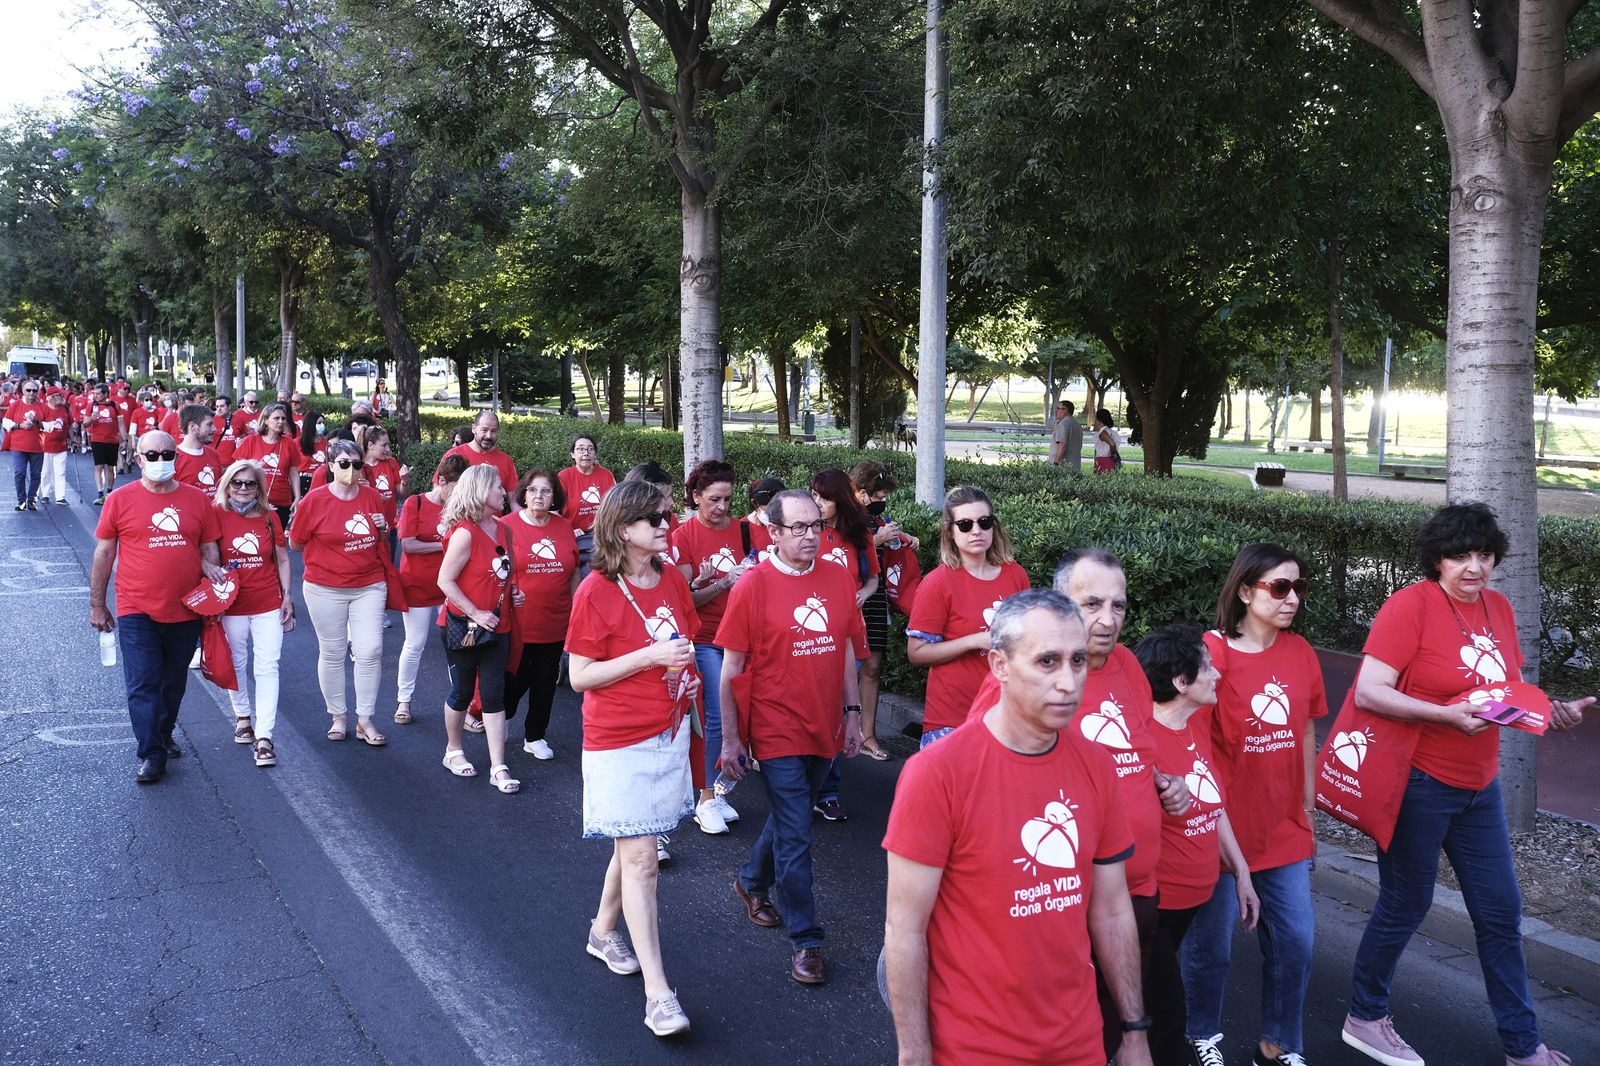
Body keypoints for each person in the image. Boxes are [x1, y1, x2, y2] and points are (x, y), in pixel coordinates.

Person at [1341, 503, 1590, 1066]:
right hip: (1418, 784)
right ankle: (1365, 1015)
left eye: (1484, 555)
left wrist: (1549, 712)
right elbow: (1368, 691)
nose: (1474, 567)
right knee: (1406, 903)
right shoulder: (1410, 605)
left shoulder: (1499, 608)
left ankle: (1523, 1048)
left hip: (1481, 788)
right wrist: (1444, 716)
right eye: (1459, 556)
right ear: (1438, 560)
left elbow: (1505, 693)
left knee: (1500, 914)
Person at [883, 589, 1153, 1066]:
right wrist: (914, 1053)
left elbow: (1112, 910)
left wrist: (1133, 1032)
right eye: (1047, 661)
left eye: (1077, 661)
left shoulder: (1096, 766)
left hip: (1078, 1042)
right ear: (1000, 665)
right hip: (972, 1049)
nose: (1068, 682)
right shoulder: (938, 773)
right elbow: (905, 931)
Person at [1182, 543, 1328, 1066]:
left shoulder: (1301, 651)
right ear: (1245, 591)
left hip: (1283, 828)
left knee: (1296, 942)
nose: (1292, 599)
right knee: (1212, 950)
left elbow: (1305, 730)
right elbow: (1194, 746)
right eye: (1279, 587)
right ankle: (1202, 1032)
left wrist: (1309, 808)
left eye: (1298, 587)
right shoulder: (1212, 653)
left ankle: (1281, 1040)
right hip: (1221, 828)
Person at [565, 479, 700, 1038]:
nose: (668, 526)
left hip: (668, 732)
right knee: (642, 857)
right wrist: (649, 657)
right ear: (624, 530)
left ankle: (602, 931)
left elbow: (684, 644)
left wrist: (685, 677)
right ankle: (658, 994)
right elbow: (579, 677)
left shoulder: (671, 578)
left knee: (632, 840)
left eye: (667, 516)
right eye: (656, 519)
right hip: (617, 740)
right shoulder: (595, 591)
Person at [716, 488, 865, 985]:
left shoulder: (838, 577)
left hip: (825, 722)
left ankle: (750, 881)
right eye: (797, 528)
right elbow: (731, 667)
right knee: (798, 831)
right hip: (775, 725)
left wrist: (853, 714)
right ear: (773, 532)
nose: (810, 536)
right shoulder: (753, 585)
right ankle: (806, 940)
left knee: (790, 814)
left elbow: (847, 647)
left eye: (815, 526)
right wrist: (732, 740)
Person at [1133, 623, 1259, 1066]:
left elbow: (1214, 806)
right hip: (1156, 907)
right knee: (1168, 1016)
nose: (1217, 674)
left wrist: (1241, 871)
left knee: (1143, 1008)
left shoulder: (1192, 726)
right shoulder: (1141, 741)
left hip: (1193, 900)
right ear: (1180, 681)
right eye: (1207, 667)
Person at [89, 431, 226, 784]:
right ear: (138, 459)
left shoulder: (197, 500)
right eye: (152, 455)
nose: (160, 460)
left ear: (176, 458)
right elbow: (104, 553)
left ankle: (163, 733)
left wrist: (215, 597)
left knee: (173, 682)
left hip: (187, 608)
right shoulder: (119, 500)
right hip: (136, 607)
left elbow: (209, 550)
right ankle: (151, 753)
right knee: (143, 682)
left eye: (167, 454)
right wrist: (97, 605)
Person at [907, 485, 1030, 747]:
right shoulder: (937, 583)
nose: (976, 531)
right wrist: (975, 641)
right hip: (953, 720)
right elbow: (916, 652)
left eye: (984, 522)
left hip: (1007, 717)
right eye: (965, 525)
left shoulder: (1015, 574)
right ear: (949, 532)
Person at [669, 459, 755, 834]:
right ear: (696, 496)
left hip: (744, 638)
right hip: (705, 639)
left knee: (742, 716)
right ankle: (705, 798)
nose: (722, 507)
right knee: (717, 716)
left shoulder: (746, 531)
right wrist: (722, 583)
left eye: (728, 499)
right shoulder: (684, 536)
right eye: (714, 499)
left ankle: (719, 792)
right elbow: (685, 601)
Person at [288, 438, 390, 746]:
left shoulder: (372, 496)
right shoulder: (314, 500)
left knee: (370, 650)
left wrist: (383, 529)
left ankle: (365, 719)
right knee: (332, 652)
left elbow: (380, 539)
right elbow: (295, 543)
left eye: (357, 464)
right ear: (331, 466)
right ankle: (338, 716)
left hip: (369, 584)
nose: (351, 469)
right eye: (344, 464)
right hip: (325, 588)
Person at [435, 464, 524, 794]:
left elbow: (503, 573)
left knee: (493, 694)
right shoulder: (464, 533)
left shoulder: (504, 530)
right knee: (461, 692)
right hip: (464, 626)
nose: (504, 492)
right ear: (480, 491)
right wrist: (476, 611)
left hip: (498, 624)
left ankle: (498, 766)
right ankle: (453, 750)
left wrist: (514, 592)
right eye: (498, 487)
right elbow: (445, 581)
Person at [807, 467, 879, 822]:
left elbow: (873, 579)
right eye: (814, 496)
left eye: (824, 498)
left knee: (837, 712)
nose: (818, 503)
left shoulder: (860, 536)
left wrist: (863, 594)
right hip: (811, 635)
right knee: (814, 710)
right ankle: (804, 785)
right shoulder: (808, 532)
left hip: (850, 635)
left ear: (840, 500)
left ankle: (828, 791)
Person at [213, 459, 295, 768]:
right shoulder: (215, 514)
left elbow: (282, 560)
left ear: (259, 487)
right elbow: (207, 557)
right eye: (237, 482)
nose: (244, 488)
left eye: (250, 483)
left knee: (268, 666)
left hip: (267, 602)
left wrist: (287, 596)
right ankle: (243, 716)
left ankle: (264, 737)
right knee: (236, 661)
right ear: (227, 485)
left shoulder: (270, 517)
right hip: (230, 604)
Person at [501, 467, 580, 760]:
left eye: (546, 491)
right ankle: (502, 716)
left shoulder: (564, 527)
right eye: (533, 490)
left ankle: (535, 736)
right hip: (518, 621)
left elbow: (573, 571)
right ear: (524, 494)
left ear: (554, 496)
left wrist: (578, 609)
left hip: (556, 619)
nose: (539, 496)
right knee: (517, 678)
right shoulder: (506, 525)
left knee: (545, 681)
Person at [851, 460, 918, 760]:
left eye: (883, 496)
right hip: (848, 597)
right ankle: (838, 730)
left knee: (873, 666)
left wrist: (904, 538)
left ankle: (868, 735)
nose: (881, 501)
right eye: (877, 496)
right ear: (860, 492)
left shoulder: (876, 519)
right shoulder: (842, 515)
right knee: (841, 668)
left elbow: (885, 545)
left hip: (875, 597)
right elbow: (837, 550)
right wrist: (878, 539)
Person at [395, 455, 467, 725]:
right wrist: (447, 545)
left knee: (457, 647)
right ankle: (404, 700)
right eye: (457, 487)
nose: (459, 494)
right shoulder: (415, 503)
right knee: (414, 644)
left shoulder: (458, 508)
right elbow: (409, 545)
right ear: (443, 481)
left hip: (449, 588)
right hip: (417, 586)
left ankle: (462, 705)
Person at [233, 402, 302, 528]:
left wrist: (297, 497)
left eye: (283, 418)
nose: (280, 421)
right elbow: (237, 470)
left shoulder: (289, 444)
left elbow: (293, 472)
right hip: (253, 498)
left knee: (276, 536)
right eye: (276, 418)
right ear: (265, 420)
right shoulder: (251, 441)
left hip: (280, 500)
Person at [558, 433, 616, 569]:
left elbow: (615, 507)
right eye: (581, 449)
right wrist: (569, 530)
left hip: (602, 535)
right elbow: (553, 512)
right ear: (573, 454)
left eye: (590, 449)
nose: (586, 453)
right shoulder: (564, 476)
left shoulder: (606, 475)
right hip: (574, 536)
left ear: (595, 454)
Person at [442, 410, 519, 496]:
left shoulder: (506, 461)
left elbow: (513, 499)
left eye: (493, 431)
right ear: (474, 428)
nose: (489, 436)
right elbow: (439, 492)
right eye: (484, 430)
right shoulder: (454, 454)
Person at [4, 379, 47, 510]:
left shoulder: (42, 406)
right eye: (28, 390)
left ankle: (32, 500)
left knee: (36, 474)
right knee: (20, 473)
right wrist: (19, 425)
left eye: (34, 390)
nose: (31, 393)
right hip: (18, 446)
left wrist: (37, 422)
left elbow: (50, 426)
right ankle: (21, 501)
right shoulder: (16, 405)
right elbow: (5, 421)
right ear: (23, 391)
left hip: (37, 446)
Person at [357, 423, 406, 531]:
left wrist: (404, 480)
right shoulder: (359, 467)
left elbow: (401, 494)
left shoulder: (391, 463)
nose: (387, 449)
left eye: (388, 445)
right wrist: (374, 494)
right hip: (369, 527)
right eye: (384, 445)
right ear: (370, 445)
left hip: (391, 524)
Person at [84, 384, 124, 505]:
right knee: (99, 467)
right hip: (97, 440)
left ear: (106, 394)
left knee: (111, 468)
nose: (95, 396)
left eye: (98, 393)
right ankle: (100, 494)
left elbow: (121, 423)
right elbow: (85, 424)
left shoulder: (115, 405)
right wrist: (92, 419)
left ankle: (109, 492)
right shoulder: (91, 406)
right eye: (95, 393)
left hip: (112, 440)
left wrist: (124, 439)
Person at [174, 404, 224, 492]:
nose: (214, 429)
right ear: (192, 426)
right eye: (209, 424)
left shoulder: (213, 453)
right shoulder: (174, 458)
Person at [38, 387, 70, 505]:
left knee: (60, 472)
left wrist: (72, 440)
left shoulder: (64, 408)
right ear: (51, 397)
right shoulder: (43, 408)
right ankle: (45, 494)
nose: (61, 398)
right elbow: (38, 424)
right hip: (45, 446)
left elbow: (70, 424)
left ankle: (60, 496)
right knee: (46, 472)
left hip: (61, 446)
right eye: (59, 395)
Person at [1052, 399, 1084, 474]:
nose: (1056, 411)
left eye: (1058, 408)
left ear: (1065, 410)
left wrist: (1056, 464)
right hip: (1074, 465)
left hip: (1063, 467)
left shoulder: (1063, 424)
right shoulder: (1076, 424)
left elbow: (1062, 445)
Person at [1093, 408, 1122, 474]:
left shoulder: (1103, 433)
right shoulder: (1109, 431)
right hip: (1106, 461)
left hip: (1104, 461)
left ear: (1098, 420)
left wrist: (1112, 454)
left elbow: (1112, 444)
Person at [212, 396, 238, 465]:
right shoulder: (211, 420)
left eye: (222, 406)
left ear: (229, 407)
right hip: (216, 462)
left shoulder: (238, 419)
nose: (219, 409)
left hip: (234, 463)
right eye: (217, 406)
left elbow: (242, 436)